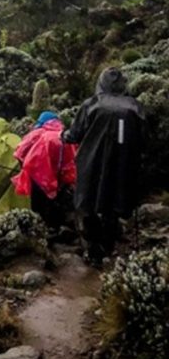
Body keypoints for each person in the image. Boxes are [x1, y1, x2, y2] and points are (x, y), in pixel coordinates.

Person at [63, 68, 145, 267]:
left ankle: (94, 251)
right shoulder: (134, 107)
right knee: (113, 205)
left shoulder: (91, 104)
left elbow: (74, 135)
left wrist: (63, 135)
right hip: (123, 166)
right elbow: (144, 139)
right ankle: (107, 246)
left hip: (92, 164)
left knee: (88, 204)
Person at [13, 111, 77, 233]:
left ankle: (41, 231)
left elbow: (19, 152)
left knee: (39, 205)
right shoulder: (65, 136)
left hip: (38, 176)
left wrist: (25, 168)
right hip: (60, 179)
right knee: (55, 205)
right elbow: (72, 161)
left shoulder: (38, 134)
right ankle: (56, 229)